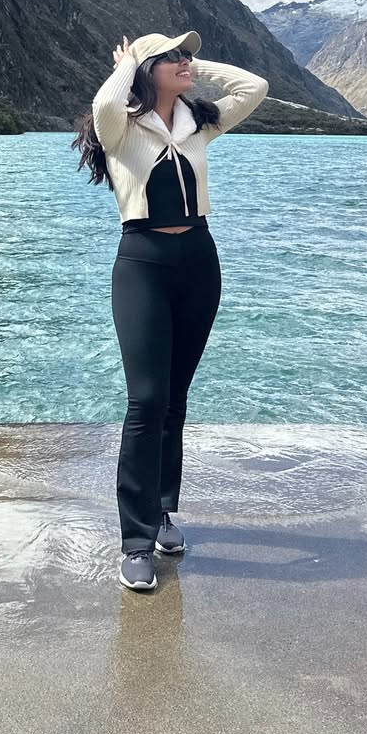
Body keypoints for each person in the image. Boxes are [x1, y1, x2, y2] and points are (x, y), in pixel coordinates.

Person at [72, 30, 269, 591]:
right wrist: (129, 63)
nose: (185, 62)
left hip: (199, 262)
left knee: (175, 399)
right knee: (146, 400)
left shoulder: (199, 122)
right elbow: (105, 102)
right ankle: (135, 541)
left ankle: (161, 511)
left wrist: (191, 68)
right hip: (143, 264)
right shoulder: (120, 127)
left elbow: (254, 86)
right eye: (174, 57)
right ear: (145, 68)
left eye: (188, 55)